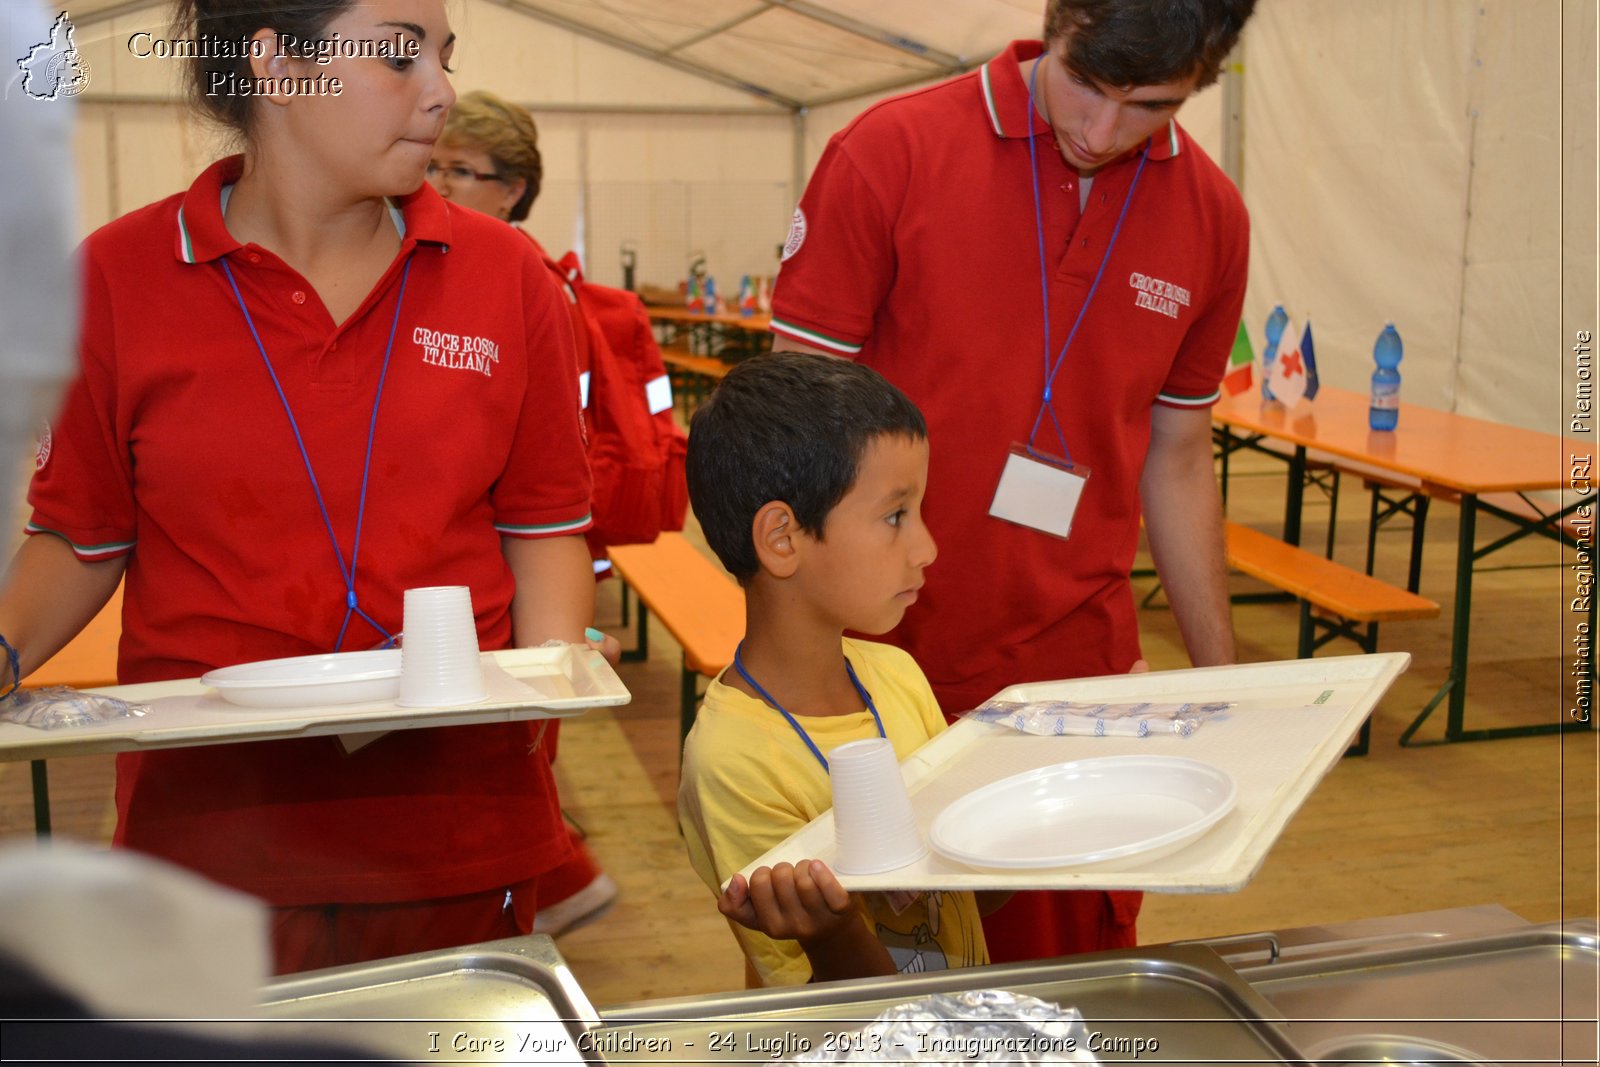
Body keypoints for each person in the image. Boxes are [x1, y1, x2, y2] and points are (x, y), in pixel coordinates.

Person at [0, 0, 600, 974]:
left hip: (455, 829)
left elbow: (545, 528)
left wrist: (544, 697)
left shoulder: (506, 277)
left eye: (446, 58)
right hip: (212, 843)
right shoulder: (116, 278)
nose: (442, 93)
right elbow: (80, 535)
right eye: (400, 58)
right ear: (277, 67)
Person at [767, 0, 1258, 961]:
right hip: (881, 657)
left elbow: (1181, 454)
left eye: (1149, 105)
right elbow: (793, 424)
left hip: (1076, 672)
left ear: (1205, 77)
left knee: (1060, 982)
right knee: (877, 980)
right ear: (1059, 19)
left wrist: (1227, 685)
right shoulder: (890, 152)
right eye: (1087, 84)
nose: (1100, 131)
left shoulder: (1212, 217)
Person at [678, 353, 995, 987]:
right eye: (895, 516)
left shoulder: (897, 676)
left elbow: (963, 898)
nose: (927, 547)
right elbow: (830, 1013)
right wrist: (834, 930)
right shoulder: (733, 760)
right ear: (783, 539)